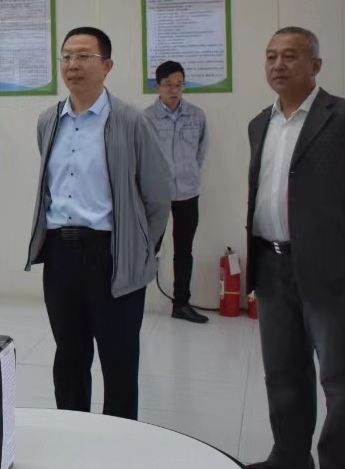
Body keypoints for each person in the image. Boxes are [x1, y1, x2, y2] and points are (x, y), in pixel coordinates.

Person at [243, 27, 345, 469]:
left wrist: (338, 243)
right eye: (271, 56)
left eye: (290, 56)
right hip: (271, 264)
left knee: (340, 379)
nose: (278, 65)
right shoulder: (259, 123)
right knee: (282, 373)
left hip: (332, 270)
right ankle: (290, 457)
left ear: (316, 65)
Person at [24, 27, 171, 421]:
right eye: (66, 56)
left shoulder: (131, 121)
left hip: (112, 253)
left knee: (118, 359)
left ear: (107, 66)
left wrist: (139, 247)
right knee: (69, 356)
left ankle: (119, 440)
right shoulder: (48, 121)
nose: (72, 64)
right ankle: (72, 432)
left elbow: (158, 197)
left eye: (83, 56)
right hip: (61, 252)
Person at [145, 60, 210, 323]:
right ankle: (132, 300)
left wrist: (189, 173)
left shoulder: (196, 115)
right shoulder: (146, 118)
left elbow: (201, 152)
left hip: (188, 193)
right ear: (158, 86)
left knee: (184, 250)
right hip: (156, 196)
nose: (174, 90)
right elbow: (141, 158)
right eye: (168, 85)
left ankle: (181, 303)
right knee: (148, 248)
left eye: (179, 85)